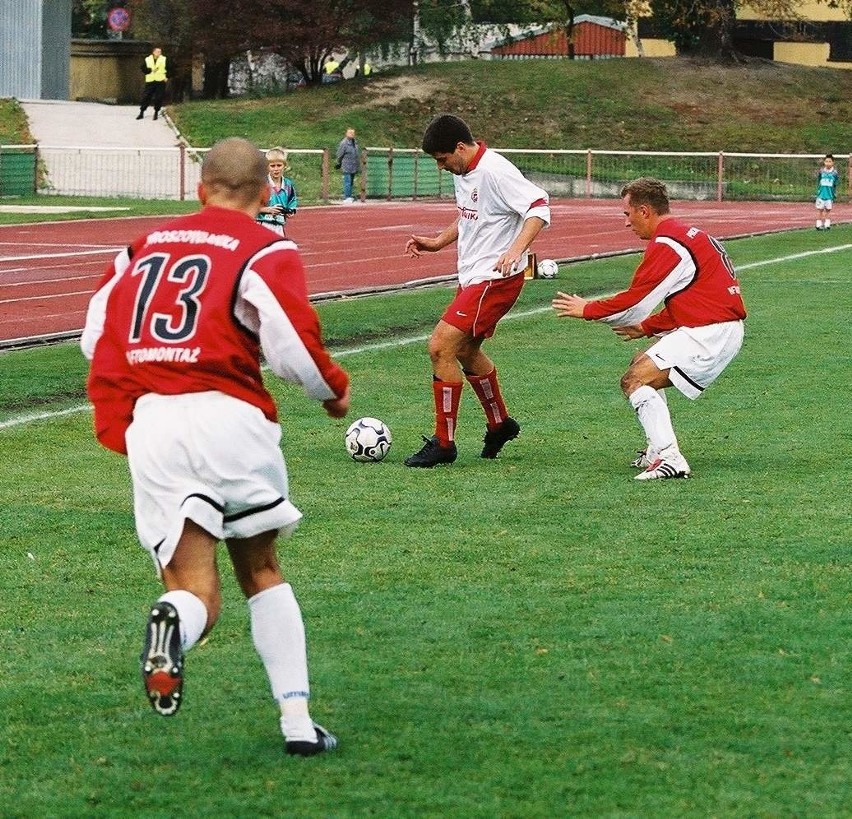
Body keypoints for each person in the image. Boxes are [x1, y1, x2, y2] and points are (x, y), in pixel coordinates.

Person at [80, 137, 350, 756]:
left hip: (155, 424)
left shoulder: (140, 247)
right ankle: (297, 723)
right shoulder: (266, 246)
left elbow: (95, 332)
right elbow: (292, 344)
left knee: (193, 587)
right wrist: (332, 392)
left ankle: (173, 621)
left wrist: (147, 380)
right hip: (230, 420)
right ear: (264, 193)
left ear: (199, 189)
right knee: (260, 568)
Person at [552, 177, 746, 481]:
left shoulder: (668, 244)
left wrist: (587, 309)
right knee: (640, 365)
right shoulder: (690, 235)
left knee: (633, 381)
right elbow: (696, 297)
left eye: (627, 215)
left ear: (644, 211)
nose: (627, 223)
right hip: (713, 325)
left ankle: (671, 458)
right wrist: (647, 327)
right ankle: (657, 451)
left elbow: (634, 303)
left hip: (710, 332)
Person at [402, 114, 550, 467]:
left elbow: (539, 206)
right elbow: (472, 213)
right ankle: (500, 424)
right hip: (474, 277)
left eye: (442, 160)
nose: (441, 167)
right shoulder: (465, 171)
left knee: (440, 347)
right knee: (466, 351)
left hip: (494, 280)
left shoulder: (495, 171)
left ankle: (444, 443)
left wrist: (515, 250)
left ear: (459, 147)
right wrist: (438, 241)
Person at [256, 147, 298, 237]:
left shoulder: (288, 185)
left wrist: (290, 211)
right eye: (272, 166)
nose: (276, 169)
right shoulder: (262, 184)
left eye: (279, 165)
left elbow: (292, 202)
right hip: (262, 224)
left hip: (279, 225)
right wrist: (267, 210)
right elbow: (250, 206)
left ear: (285, 166)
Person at [136, 46, 167, 121]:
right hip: (150, 81)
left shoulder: (164, 59)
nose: (159, 53)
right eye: (157, 51)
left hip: (160, 80)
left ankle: (156, 112)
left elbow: (170, 68)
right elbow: (143, 68)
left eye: (160, 51)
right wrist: (149, 70)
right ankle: (142, 112)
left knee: (158, 97)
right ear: (153, 52)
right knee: (146, 96)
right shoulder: (147, 59)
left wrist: (167, 76)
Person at [335, 127, 361, 203]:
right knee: (347, 181)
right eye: (350, 133)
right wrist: (338, 162)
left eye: (353, 133)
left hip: (354, 165)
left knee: (351, 182)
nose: (351, 134)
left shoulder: (355, 143)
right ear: (346, 134)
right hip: (346, 164)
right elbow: (340, 154)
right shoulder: (344, 143)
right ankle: (347, 197)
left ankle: (350, 195)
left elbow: (356, 154)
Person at [814, 153, 839, 230]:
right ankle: (818, 224)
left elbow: (835, 183)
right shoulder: (821, 171)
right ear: (824, 162)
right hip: (821, 194)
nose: (828, 163)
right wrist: (818, 190)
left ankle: (827, 224)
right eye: (826, 161)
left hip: (829, 195)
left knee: (828, 210)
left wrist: (834, 192)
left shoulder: (834, 173)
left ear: (833, 162)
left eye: (830, 161)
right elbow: (818, 181)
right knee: (820, 210)